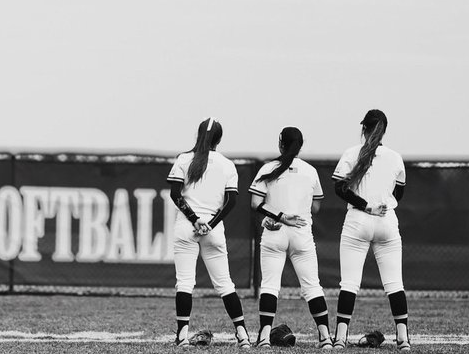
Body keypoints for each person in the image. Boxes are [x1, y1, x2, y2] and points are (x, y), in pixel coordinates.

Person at [167, 117, 252, 348]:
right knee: (225, 284)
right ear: (219, 138)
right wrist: (210, 224)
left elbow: (176, 195)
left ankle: (182, 336)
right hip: (213, 230)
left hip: (186, 227)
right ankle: (243, 335)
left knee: (184, 282)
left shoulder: (184, 159)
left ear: (198, 135)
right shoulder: (226, 164)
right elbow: (231, 201)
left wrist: (195, 219)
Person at [330, 109, 410, 351]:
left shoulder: (351, 153)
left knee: (350, 283)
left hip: (358, 220)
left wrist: (366, 206)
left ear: (363, 127)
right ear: (384, 130)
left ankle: (340, 338)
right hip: (387, 221)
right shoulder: (395, 157)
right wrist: (379, 204)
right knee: (395, 283)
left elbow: (340, 189)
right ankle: (403, 339)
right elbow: (399, 194)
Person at [248, 127, 333, 349]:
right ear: (301, 145)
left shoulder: (268, 168)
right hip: (301, 233)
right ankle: (325, 337)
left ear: (280, 144)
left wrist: (277, 215)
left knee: (269, 286)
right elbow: (315, 207)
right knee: (312, 287)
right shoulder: (310, 171)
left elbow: (256, 204)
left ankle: (264, 337)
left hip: (274, 231)